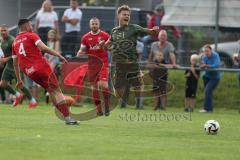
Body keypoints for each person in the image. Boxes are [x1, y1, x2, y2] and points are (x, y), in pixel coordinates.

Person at [12, 19, 78, 125]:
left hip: (30, 72)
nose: (32, 27)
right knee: (57, 91)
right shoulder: (31, 35)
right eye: (30, 25)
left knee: (51, 90)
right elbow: (43, 48)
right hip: (41, 67)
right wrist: (58, 55)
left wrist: (19, 79)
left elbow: (15, 63)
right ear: (26, 26)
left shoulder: (14, 42)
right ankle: (68, 117)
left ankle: (65, 113)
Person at [104, 5, 159, 109]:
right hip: (119, 64)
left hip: (131, 62)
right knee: (118, 88)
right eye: (124, 14)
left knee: (138, 85)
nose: (127, 16)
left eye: (128, 15)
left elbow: (148, 31)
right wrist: (104, 45)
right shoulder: (114, 31)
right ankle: (121, 101)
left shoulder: (134, 27)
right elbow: (108, 44)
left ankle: (139, 104)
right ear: (118, 16)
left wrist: (154, 30)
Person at [77, 17, 110, 116]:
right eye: (92, 24)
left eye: (96, 24)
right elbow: (82, 50)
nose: (94, 25)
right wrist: (79, 53)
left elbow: (111, 47)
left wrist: (104, 45)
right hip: (92, 66)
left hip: (103, 63)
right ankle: (99, 110)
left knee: (103, 85)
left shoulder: (105, 35)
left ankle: (107, 105)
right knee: (94, 89)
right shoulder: (85, 37)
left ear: (99, 24)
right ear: (90, 25)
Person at [0, 24, 38, 108]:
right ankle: (17, 95)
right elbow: (5, 53)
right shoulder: (2, 41)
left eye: (5, 30)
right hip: (8, 66)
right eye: (1, 31)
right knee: (2, 84)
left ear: (8, 31)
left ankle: (33, 101)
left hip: (16, 66)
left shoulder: (12, 40)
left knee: (20, 84)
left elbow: (18, 54)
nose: (3, 32)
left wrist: (6, 59)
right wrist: (3, 59)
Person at [148, 30, 177, 110]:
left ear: (166, 37)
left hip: (163, 70)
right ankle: (155, 106)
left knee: (163, 89)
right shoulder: (153, 45)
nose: (162, 37)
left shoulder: (169, 45)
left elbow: (172, 54)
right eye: (161, 36)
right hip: (154, 70)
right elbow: (150, 55)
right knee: (155, 89)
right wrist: (149, 64)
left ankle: (163, 106)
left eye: (164, 36)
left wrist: (174, 63)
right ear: (158, 37)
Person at [199, 45, 221, 113]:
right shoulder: (204, 57)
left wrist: (206, 65)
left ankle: (206, 108)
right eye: (205, 51)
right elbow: (202, 64)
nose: (206, 52)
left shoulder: (215, 55)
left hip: (215, 77)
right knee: (208, 93)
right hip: (206, 76)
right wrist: (202, 65)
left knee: (207, 91)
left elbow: (216, 65)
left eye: (207, 51)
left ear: (211, 51)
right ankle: (209, 109)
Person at [44, 29, 61, 104]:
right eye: (49, 35)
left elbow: (56, 52)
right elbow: (45, 51)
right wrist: (45, 56)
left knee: (50, 68)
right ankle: (47, 89)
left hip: (54, 58)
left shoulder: (56, 42)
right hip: (48, 58)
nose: (51, 36)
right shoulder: (47, 43)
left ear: (54, 36)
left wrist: (50, 59)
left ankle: (50, 81)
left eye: (52, 35)